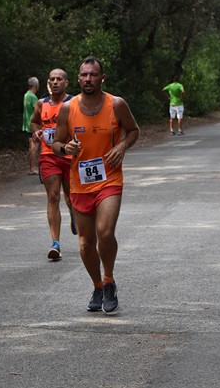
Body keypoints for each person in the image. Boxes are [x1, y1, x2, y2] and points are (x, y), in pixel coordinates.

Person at [52, 56, 140, 313]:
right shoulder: (68, 108)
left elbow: (133, 131)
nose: (88, 79)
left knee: (105, 232)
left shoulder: (117, 104)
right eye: (83, 75)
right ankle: (98, 285)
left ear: (102, 78)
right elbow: (56, 143)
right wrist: (65, 148)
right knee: (85, 243)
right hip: (80, 182)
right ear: (78, 78)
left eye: (93, 74)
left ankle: (110, 279)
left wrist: (122, 146)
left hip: (110, 179)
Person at [30, 69, 77, 260]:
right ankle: (55, 243)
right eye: (52, 80)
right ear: (48, 83)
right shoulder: (41, 103)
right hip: (49, 155)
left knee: (71, 198)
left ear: (66, 83)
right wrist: (37, 132)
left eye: (59, 79)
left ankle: (75, 215)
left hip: (70, 155)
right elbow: (34, 122)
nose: (55, 82)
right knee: (53, 197)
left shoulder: (74, 103)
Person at [22, 77, 40, 174]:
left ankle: (32, 167)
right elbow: (39, 110)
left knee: (31, 146)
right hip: (33, 125)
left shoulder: (26, 95)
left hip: (27, 124)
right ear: (36, 85)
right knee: (34, 146)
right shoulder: (32, 96)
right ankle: (33, 168)